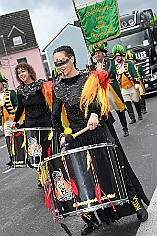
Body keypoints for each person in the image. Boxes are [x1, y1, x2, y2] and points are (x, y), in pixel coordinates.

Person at [51, 45, 149, 235]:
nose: (59, 66)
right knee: (81, 180)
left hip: (97, 132)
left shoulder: (90, 78)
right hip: (77, 138)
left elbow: (97, 101)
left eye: (61, 61)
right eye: (56, 64)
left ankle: (136, 205)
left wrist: (95, 114)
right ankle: (90, 219)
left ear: (72, 59)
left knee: (116, 169)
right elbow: (55, 117)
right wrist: (62, 134)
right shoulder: (58, 88)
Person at [10, 62, 53, 187]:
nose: (21, 74)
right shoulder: (20, 91)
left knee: (48, 150)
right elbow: (20, 108)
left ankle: (53, 172)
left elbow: (51, 102)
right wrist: (15, 121)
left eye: (23, 71)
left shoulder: (41, 85)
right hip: (31, 123)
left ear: (29, 71)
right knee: (35, 152)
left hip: (45, 121)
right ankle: (42, 177)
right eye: (19, 73)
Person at [89, 42, 129, 137]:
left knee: (118, 108)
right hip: (100, 91)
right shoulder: (93, 66)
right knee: (103, 111)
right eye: (95, 53)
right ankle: (110, 130)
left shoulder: (110, 62)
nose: (97, 54)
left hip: (110, 89)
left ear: (103, 53)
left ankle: (124, 127)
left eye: (99, 52)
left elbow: (113, 73)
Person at [112, 44, 143, 124]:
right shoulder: (115, 67)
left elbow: (133, 72)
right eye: (116, 57)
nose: (117, 58)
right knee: (127, 102)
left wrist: (136, 82)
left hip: (131, 86)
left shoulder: (128, 63)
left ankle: (139, 114)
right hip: (123, 88)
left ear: (122, 56)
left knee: (136, 100)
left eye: (119, 56)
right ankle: (132, 117)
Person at [0, 72, 18, 166]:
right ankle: (12, 157)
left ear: (2, 83)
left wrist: (16, 119)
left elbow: (16, 105)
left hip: (13, 118)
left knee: (18, 136)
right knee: (8, 137)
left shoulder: (11, 93)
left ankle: (22, 156)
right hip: (4, 120)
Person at [125, 50, 148, 114]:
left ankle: (143, 107)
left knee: (141, 94)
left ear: (135, 60)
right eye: (129, 60)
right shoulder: (126, 69)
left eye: (132, 60)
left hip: (139, 83)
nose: (131, 62)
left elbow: (144, 75)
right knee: (136, 96)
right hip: (133, 84)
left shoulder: (139, 67)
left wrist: (146, 82)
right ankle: (140, 107)